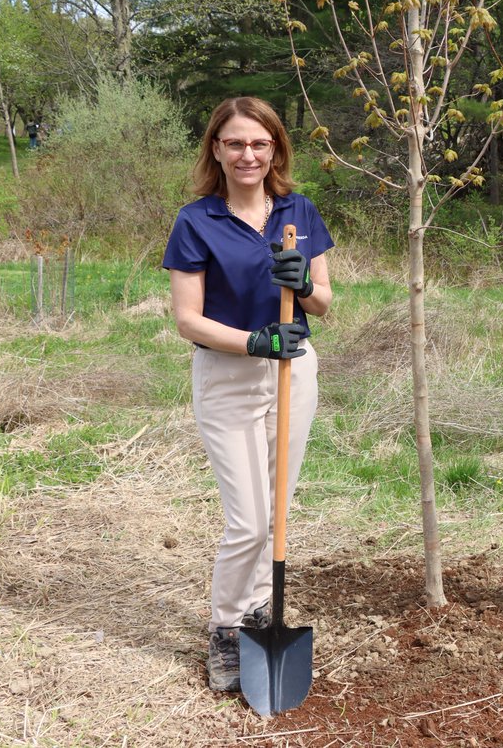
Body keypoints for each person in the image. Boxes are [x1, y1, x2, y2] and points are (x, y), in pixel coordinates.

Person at [163, 96, 334, 692]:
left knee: (276, 513)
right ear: (216, 148)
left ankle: (260, 615)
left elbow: (323, 303)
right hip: (229, 378)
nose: (248, 154)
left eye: (259, 144)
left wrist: (304, 282)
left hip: (294, 374)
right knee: (248, 521)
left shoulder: (298, 210)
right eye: (235, 143)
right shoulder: (197, 221)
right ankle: (226, 629)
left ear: (275, 150)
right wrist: (254, 342)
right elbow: (188, 319)